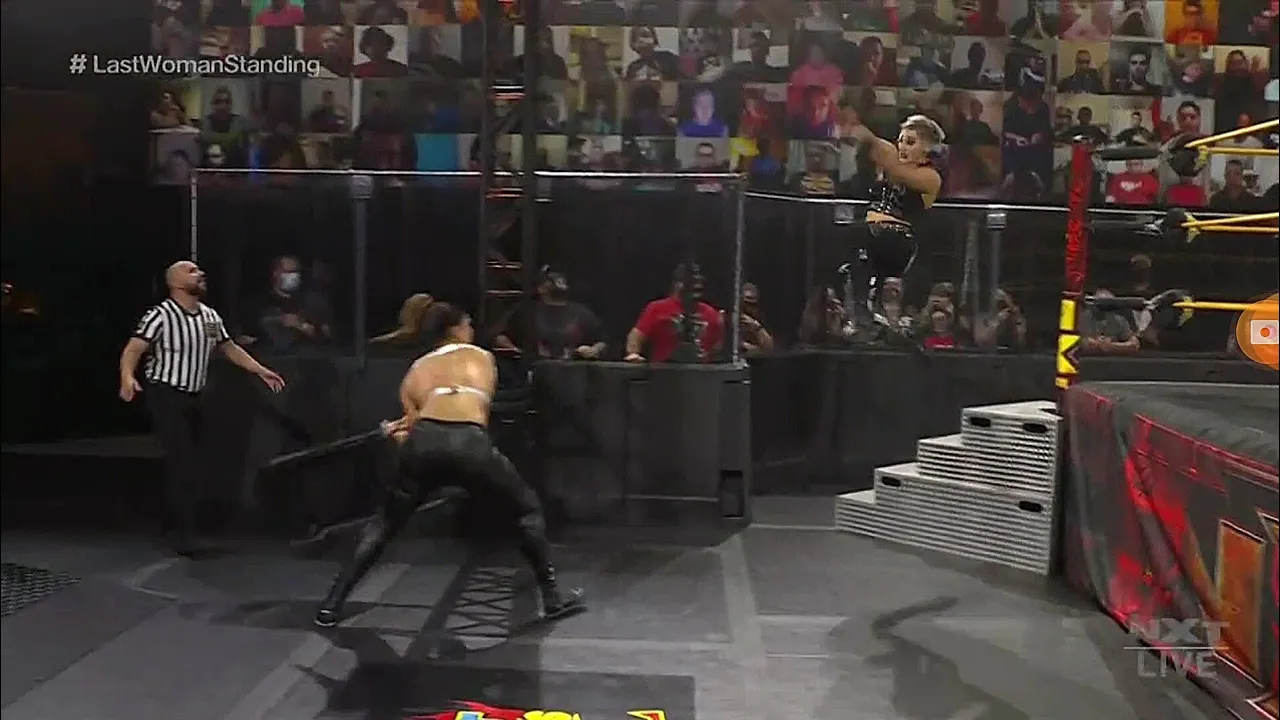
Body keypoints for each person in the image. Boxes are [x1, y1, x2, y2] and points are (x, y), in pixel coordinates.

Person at [315, 303, 585, 627]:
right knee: (527, 510)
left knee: (384, 523)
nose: (471, 329)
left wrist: (394, 432)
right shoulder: (480, 357)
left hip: (424, 441)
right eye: (467, 324)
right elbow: (475, 408)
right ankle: (552, 599)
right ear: (455, 329)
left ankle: (331, 605)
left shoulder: (416, 370)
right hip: (469, 442)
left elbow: (412, 430)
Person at [118, 261, 286, 554]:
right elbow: (134, 349)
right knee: (183, 462)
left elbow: (229, 348)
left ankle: (173, 522)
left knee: (191, 463)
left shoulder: (209, 316)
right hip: (166, 394)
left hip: (195, 395)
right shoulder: (160, 315)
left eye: (199, 271)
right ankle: (183, 533)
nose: (200, 274)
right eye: (191, 271)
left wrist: (260, 370)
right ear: (175, 282)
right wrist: (127, 377)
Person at [839, 115, 944, 326]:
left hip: (899, 240)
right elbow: (875, 147)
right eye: (901, 141)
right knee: (855, 243)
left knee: (858, 233)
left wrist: (878, 145)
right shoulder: (890, 162)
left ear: (926, 149)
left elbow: (898, 173)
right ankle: (866, 310)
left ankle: (864, 306)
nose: (902, 147)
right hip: (872, 234)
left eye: (910, 142)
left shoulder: (930, 177)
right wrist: (860, 133)